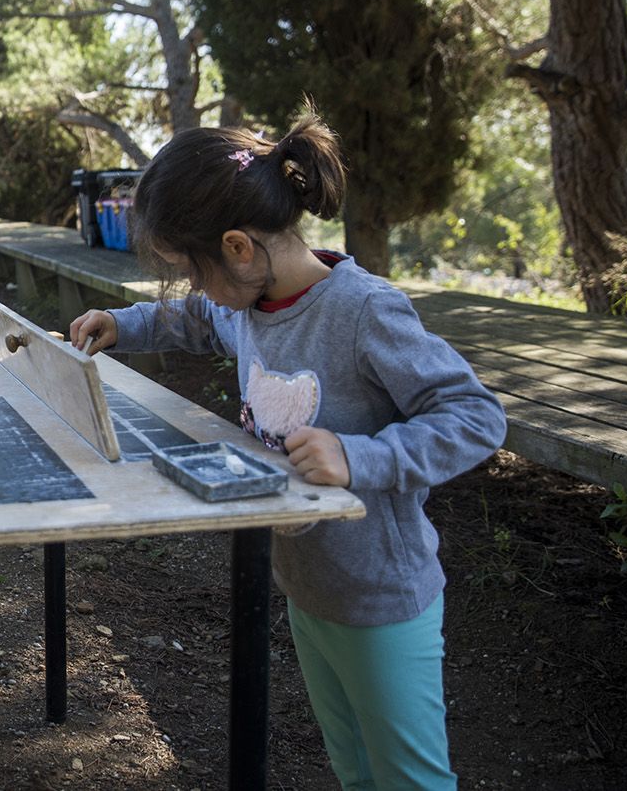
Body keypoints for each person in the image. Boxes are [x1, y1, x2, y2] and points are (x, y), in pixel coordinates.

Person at [67, 112, 506, 790]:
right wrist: (118, 325)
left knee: (410, 780)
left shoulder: (364, 311)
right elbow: (191, 318)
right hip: (307, 586)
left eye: (192, 270)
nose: (193, 290)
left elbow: (476, 416)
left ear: (238, 246)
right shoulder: (248, 303)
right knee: (352, 769)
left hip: (381, 596)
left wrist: (362, 459)